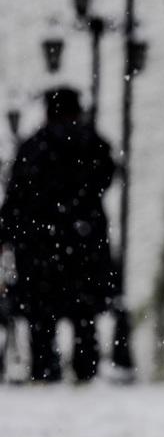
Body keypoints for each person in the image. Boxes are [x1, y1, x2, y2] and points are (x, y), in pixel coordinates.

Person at [0, 87, 117, 382]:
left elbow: (17, 197)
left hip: (41, 245)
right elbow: (106, 178)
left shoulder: (34, 146)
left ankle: (45, 369)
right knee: (84, 317)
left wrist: (7, 235)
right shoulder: (93, 144)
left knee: (42, 318)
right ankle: (85, 369)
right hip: (83, 244)